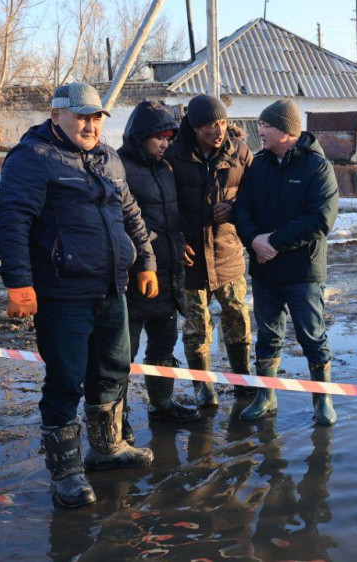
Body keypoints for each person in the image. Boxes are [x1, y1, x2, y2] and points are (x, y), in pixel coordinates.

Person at [0, 82, 156, 508]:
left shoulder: (108, 158)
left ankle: (106, 449)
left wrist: (146, 262)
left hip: (110, 288)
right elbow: (11, 222)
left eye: (96, 116)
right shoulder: (33, 159)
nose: (90, 124)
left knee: (114, 368)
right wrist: (19, 282)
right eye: (81, 116)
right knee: (66, 379)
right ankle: (65, 474)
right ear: (56, 116)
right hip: (63, 292)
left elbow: (130, 213)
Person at [232, 98, 339, 425]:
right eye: (261, 125)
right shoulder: (259, 164)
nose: (260, 131)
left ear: (286, 130)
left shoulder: (316, 166)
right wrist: (253, 240)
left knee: (311, 334)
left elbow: (320, 220)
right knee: (267, 334)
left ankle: (323, 400)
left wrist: (273, 242)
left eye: (266, 125)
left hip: (303, 270)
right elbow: (242, 208)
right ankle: (266, 396)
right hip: (265, 269)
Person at [118, 100, 200, 438]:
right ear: (140, 137)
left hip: (168, 270)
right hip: (135, 275)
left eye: (168, 138)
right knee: (123, 352)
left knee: (164, 345)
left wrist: (179, 241)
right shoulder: (119, 166)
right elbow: (123, 221)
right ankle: (115, 421)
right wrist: (140, 260)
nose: (165, 144)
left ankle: (162, 403)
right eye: (159, 138)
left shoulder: (165, 169)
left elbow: (169, 215)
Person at [166, 95, 253, 408]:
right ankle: (203, 386)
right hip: (190, 259)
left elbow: (256, 195)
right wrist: (176, 237)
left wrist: (233, 207)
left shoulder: (240, 153)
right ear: (194, 127)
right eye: (209, 126)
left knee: (237, 317)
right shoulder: (174, 155)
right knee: (196, 326)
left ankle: (244, 380)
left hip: (227, 253)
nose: (218, 131)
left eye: (222, 123)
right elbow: (163, 203)